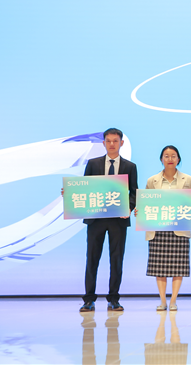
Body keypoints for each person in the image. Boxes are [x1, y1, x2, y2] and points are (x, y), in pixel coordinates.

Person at [80, 128, 138, 312]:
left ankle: (114, 298)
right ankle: (89, 299)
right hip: (96, 219)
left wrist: (129, 207)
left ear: (121, 143)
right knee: (92, 259)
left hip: (118, 220)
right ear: (103, 143)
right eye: (108, 141)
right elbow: (84, 188)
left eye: (115, 141)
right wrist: (71, 193)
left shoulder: (130, 166)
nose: (112, 144)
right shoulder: (93, 164)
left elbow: (134, 193)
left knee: (116, 260)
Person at [142, 145, 191, 311]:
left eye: (173, 156)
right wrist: (140, 210)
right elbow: (146, 203)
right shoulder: (152, 180)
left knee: (178, 267)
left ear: (178, 159)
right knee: (160, 268)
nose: (170, 159)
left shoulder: (187, 179)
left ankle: (173, 301)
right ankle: (163, 300)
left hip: (179, 228)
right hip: (158, 229)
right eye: (166, 156)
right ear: (161, 159)